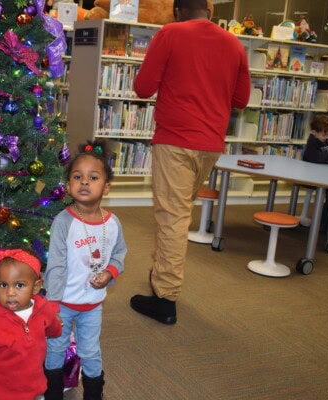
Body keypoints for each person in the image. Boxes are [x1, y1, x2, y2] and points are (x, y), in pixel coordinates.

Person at [129, 0, 251, 325]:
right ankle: (161, 274)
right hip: (210, 145)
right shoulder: (234, 43)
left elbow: (142, 88)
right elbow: (241, 100)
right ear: (209, 12)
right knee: (177, 214)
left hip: (175, 140)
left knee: (172, 217)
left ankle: (165, 299)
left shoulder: (170, 33)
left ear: (177, 10)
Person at [43, 139, 127, 400]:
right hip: (63, 304)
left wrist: (110, 272)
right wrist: (52, 305)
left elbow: (119, 254)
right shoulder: (64, 222)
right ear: (68, 186)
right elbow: (55, 264)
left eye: (93, 177)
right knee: (55, 348)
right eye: (77, 177)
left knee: (90, 351)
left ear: (106, 187)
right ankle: (52, 392)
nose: (84, 182)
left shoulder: (112, 223)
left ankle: (93, 393)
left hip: (92, 305)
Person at [0, 246, 62, 400]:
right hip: (2, 395)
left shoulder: (44, 309)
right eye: (3, 285)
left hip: (35, 391)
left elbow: (53, 328)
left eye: (19, 285)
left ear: (36, 287)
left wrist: (56, 327)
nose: (10, 293)